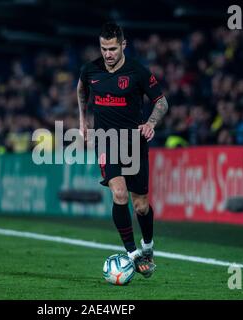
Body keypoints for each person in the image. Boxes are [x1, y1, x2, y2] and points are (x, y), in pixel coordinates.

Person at [77, 22, 169, 278]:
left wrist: (150, 122)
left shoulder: (137, 71)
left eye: (113, 49)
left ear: (123, 45)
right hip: (107, 141)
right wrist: (83, 121)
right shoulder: (90, 70)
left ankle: (148, 246)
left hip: (134, 143)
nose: (108, 54)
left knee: (141, 205)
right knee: (119, 194)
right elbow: (82, 89)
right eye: (104, 48)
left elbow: (161, 101)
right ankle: (132, 255)